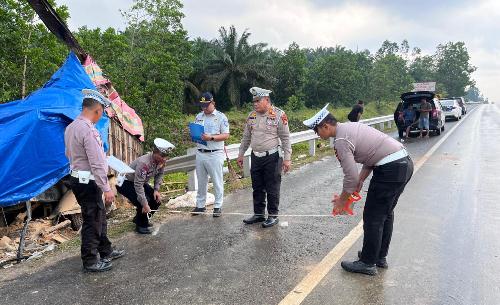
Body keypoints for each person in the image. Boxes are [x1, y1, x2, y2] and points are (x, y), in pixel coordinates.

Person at [303, 104, 414, 276]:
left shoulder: (340, 140)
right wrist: (361, 179)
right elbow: (372, 153)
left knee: (373, 217)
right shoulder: (350, 127)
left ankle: (368, 263)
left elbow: (350, 178)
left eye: (317, 131)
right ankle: (378, 256)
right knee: (385, 214)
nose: (317, 135)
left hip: (391, 169)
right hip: (403, 163)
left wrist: (342, 200)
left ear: (325, 126)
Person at [64, 89, 125, 272]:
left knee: (98, 217)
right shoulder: (89, 130)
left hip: (77, 178)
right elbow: (97, 163)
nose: (101, 116)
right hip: (89, 182)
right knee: (93, 220)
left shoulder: (71, 127)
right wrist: (106, 188)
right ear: (97, 110)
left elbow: (69, 154)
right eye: (102, 113)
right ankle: (90, 260)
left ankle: (105, 250)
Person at [237, 87, 292, 228]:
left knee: (272, 187)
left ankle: (273, 215)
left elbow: (285, 138)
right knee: (257, 187)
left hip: (272, 157)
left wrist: (287, 158)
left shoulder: (279, 115)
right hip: (256, 156)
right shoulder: (251, 116)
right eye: (253, 101)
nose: (255, 104)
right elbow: (246, 137)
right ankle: (259, 214)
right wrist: (240, 154)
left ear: (267, 100)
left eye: (258, 101)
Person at [116, 138, 174, 234]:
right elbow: (138, 185)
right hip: (125, 182)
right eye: (162, 156)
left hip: (139, 182)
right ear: (155, 152)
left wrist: (156, 190)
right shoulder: (144, 163)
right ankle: (141, 225)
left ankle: (140, 219)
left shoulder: (161, 161)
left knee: (156, 200)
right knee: (143, 201)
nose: (164, 158)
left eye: (166, 156)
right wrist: (145, 204)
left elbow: (160, 174)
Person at [191, 92, 230, 217]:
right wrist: (194, 135)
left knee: (217, 181)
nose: (204, 108)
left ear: (213, 103)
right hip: (200, 152)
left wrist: (211, 138)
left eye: (206, 105)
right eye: (202, 105)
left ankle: (218, 206)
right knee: (201, 181)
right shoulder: (198, 116)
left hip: (215, 153)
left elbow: (226, 135)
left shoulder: (220, 117)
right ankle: (200, 205)